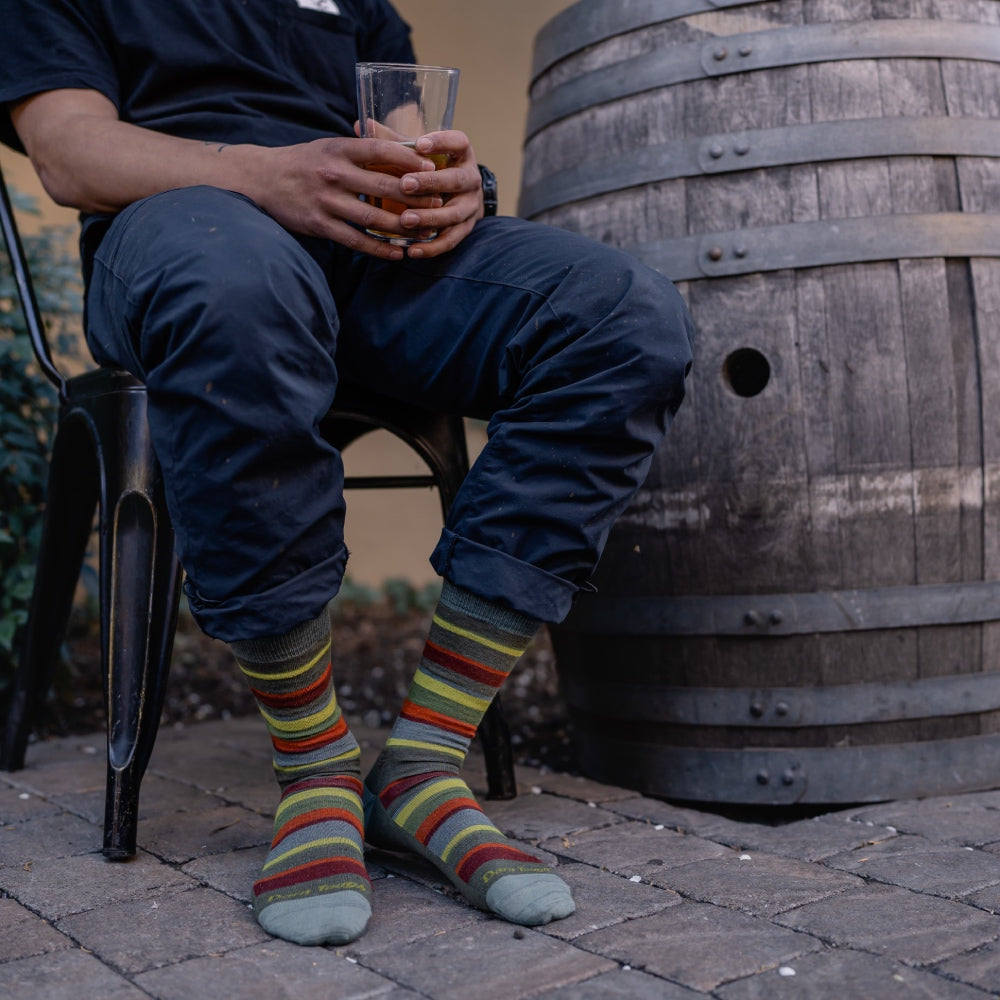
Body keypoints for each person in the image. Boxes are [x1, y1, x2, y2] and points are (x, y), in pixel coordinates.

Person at [0, 0, 694, 947]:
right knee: (234, 288)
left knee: (619, 321)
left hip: (363, 250)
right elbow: (70, 155)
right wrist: (267, 176)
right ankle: (317, 768)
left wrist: (444, 188)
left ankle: (422, 767)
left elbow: (400, 139)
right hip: (176, 231)